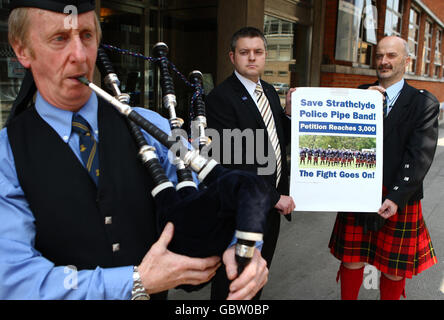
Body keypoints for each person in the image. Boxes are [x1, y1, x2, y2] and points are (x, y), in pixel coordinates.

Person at [0, 0, 268, 300]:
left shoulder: (152, 127)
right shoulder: (7, 155)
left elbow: (213, 190)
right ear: (22, 49)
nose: (80, 55)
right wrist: (135, 281)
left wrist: (242, 243)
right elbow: (15, 279)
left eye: (87, 36)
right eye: (60, 38)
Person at [329, 36, 439, 300]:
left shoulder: (422, 101)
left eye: (391, 55)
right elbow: (339, 141)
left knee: (393, 268)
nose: (383, 61)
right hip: (358, 191)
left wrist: (396, 197)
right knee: (352, 259)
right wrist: (358, 104)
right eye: (379, 56)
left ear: (406, 61)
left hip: (398, 194)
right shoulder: (360, 93)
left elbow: (420, 154)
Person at [205, 26, 295, 299]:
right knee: (234, 283)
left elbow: (277, 143)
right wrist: (273, 195)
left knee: (256, 280)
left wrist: (289, 115)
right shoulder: (220, 99)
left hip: (270, 209)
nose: (252, 58)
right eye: (245, 52)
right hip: (241, 210)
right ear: (232, 57)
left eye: (258, 52)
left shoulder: (268, 91)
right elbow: (230, 163)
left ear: (266, 55)